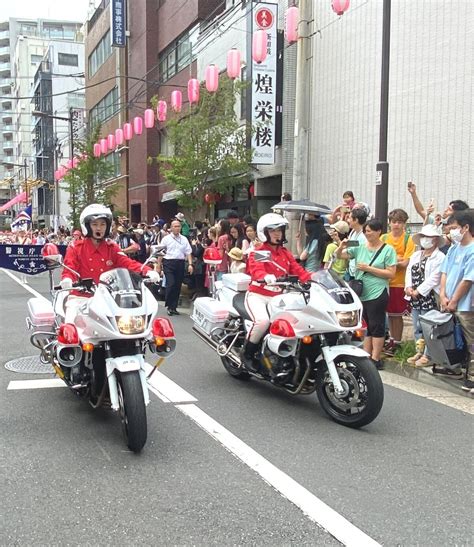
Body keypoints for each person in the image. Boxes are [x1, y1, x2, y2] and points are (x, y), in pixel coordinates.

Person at [60, 204, 159, 323]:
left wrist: (147, 270)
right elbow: (69, 268)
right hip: (81, 298)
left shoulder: (112, 247)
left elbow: (127, 263)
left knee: (138, 324)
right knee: (70, 326)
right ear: (87, 226)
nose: (99, 228)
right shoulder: (75, 247)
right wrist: (67, 280)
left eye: (102, 224)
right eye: (95, 224)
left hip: (109, 299)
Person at [243, 213, 312, 372]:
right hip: (258, 296)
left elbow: (298, 270)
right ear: (264, 233)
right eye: (272, 230)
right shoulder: (261, 251)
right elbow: (256, 270)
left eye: (279, 230)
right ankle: (247, 354)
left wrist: (314, 279)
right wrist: (265, 277)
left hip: (279, 298)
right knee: (262, 322)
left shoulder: (285, 253)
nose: (277, 234)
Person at [336, 218, 397, 369]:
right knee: (366, 325)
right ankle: (366, 355)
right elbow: (340, 256)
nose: (367, 234)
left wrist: (368, 269)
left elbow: (391, 273)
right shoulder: (360, 247)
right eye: (365, 231)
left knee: (377, 324)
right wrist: (341, 246)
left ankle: (376, 358)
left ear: (378, 232)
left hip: (378, 292)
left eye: (369, 231)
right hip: (361, 292)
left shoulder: (388, 250)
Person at [439, 209, 474, 393]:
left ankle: (472, 377)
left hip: (466, 304)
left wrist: (453, 301)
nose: (452, 232)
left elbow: (468, 280)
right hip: (449, 301)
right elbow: (444, 272)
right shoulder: (453, 248)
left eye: (455, 228)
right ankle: (455, 368)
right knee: (454, 338)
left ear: (466, 228)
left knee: (471, 341)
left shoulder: (472, 250)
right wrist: (443, 295)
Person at [404, 224, 445, 366]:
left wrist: (419, 291)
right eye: (423, 237)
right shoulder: (416, 255)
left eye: (427, 237)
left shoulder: (440, 257)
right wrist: (408, 287)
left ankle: (428, 354)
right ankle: (419, 350)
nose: (425, 240)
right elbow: (409, 271)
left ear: (434, 239)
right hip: (414, 296)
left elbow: (435, 277)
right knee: (417, 325)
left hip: (429, 296)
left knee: (429, 327)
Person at [381, 209, 415, 356]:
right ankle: (392, 340)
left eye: (399, 222)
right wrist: (397, 259)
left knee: (397, 315)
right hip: (383, 281)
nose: (396, 225)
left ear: (404, 224)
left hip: (400, 282)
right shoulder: (383, 238)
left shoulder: (409, 239)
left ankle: (398, 342)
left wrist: (392, 261)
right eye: (394, 221)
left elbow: (407, 262)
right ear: (389, 223)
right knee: (388, 314)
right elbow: (379, 258)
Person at [157, 219, 193, 316]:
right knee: (171, 283)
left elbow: (188, 252)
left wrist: (190, 264)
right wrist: (158, 266)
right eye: (175, 226)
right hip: (169, 262)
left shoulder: (184, 239)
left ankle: (174, 307)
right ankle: (169, 304)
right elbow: (160, 253)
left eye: (179, 226)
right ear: (171, 228)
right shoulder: (166, 239)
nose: (177, 228)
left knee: (177, 286)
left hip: (180, 263)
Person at [346, 208, 368, 280]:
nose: (347, 220)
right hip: (351, 270)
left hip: (359, 273)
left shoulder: (364, 236)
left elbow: (351, 250)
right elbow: (348, 247)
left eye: (349, 218)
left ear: (356, 220)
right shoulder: (353, 232)